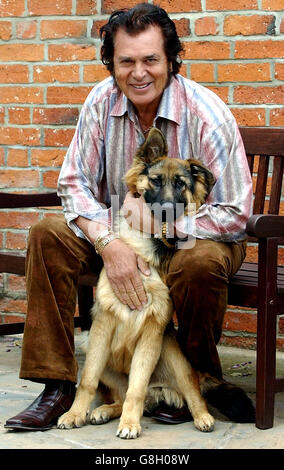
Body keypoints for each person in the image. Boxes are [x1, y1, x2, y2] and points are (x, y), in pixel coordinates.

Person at [5, 3, 252, 431]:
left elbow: (234, 213)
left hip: (197, 237)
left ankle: (191, 380)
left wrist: (157, 225)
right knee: (47, 233)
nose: (139, 72)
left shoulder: (206, 115)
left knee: (199, 263)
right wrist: (110, 242)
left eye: (151, 60)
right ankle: (57, 386)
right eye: (127, 61)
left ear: (172, 60)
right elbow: (73, 183)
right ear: (112, 64)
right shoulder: (101, 101)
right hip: (117, 231)